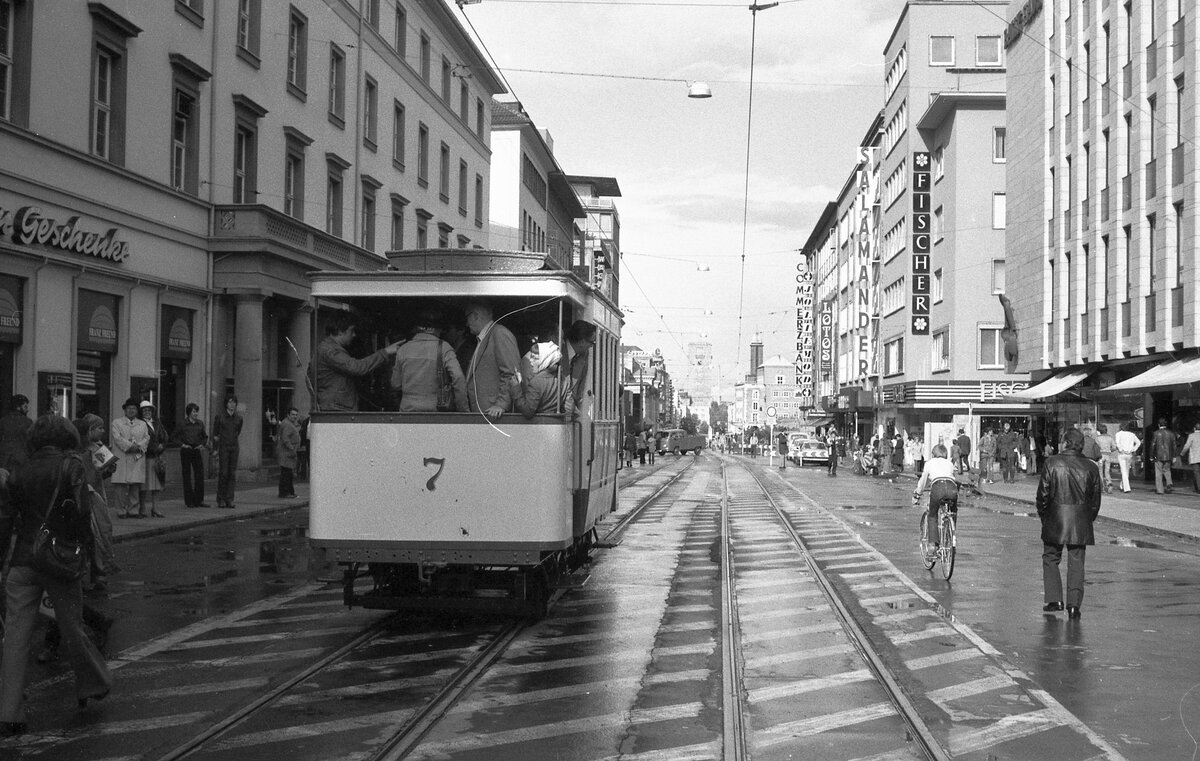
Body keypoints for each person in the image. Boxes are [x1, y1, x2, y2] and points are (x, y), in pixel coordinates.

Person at [0, 415, 113, 737]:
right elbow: (81, 514)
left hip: (22, 562)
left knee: (15, 639)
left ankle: (9, 712)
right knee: (71, 627)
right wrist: (87, 556)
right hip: (59, 560)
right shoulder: (71, 466)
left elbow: (6, 520)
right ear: (67, 437)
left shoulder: (18, 471)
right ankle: (92, 684)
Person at [1036, 428, 1102, 620]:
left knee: (1050, 557)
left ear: (1065, 443)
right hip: (1080, 520)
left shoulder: (1052, 462)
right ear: (1081, 445)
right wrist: (1088, 518)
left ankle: (1055, 599)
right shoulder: (1091, 467)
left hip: (1055, 517)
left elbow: (1042, 496)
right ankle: (1074, 606)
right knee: (1076, 562)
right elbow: (1095, 501)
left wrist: (1044, 516)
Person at [313, 313, 402, 412]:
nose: (354, 335)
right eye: (351, 331)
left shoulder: (325, 348)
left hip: (333, 406)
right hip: (336, 408)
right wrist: (385, 352)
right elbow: (357, 367)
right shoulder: (330, 351)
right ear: (340, 331)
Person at [389, 311, 468, 412]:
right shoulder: (444, 348)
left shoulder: (403, 349)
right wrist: (463, 410)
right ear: (439, 329)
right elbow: (458, 377)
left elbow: (395, 384)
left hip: (407, 411)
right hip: (436, 412)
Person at [73, 414, 118, 591]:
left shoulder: (98, 448)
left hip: (96, 496)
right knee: (90, 536)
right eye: (99, 428)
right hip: (86, 497)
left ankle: (99, 574)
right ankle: (88, 575)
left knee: (99, 536)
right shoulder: (82, 451)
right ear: (88, 431)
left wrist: (108, 470)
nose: (103, 431)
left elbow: (100, 474)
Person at [463, 301, 519, 419]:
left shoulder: (500, 333)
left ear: (475, 316)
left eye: (467, 317)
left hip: (494, 415)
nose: (467, 324)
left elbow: (512, 372)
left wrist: (501, 404)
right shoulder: (487, 336)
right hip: (487, 413)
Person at [913, 443, 959, 553]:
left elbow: (924, 480)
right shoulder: (949, 463)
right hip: (952, 488)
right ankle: (950, 534)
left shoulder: (929, 463)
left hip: (938, 487)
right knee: (953, 511)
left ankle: (933, 546)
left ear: (934, 454)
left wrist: (918, 493)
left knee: (932, 515)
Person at [109, 397, 149, 519]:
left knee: (135, 486)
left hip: (136, 457)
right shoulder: (117, 423)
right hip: (122, 456)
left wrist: (139, 447)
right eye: (129, 408)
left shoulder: (142, 424)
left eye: (134, 408)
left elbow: (146, 438)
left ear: (137, 411)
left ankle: (133, 510)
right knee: (120, 486)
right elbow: (117, 438)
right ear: (125, 410)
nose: (131, 410)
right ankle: (121, 511)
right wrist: (130, 446)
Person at [511, 341, 563, 418]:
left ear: (545, 360)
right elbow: (569, 408)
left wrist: (516, 389)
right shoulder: (563, 381)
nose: (531, 362)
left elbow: (528, 411)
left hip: (539, 425)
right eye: (531, 357)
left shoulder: (536, 382)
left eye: (535, 358)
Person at [212, 395, 244, 509]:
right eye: (229, 402)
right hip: (224, 447)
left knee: (232, 474)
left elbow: (238, 431)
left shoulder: (239, 418)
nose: (232, 404)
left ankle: (229, 499)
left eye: (234, 402)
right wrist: (215, 449)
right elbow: (215, 435)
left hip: (234, 447)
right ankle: (221, 498)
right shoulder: (220, 417)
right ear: (226, 404)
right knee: (224, 473)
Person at [174, 402, 209, 508]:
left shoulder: (200, 423)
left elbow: (204, 436)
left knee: (199, 474)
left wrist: (202, 444)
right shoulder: (183, 423)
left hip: (196, 449)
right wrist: (182, 445)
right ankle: (189, 501)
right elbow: (174, 436)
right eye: (194, 411)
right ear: (189, 412)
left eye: (197, 411)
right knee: (187, 475)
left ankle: (199, 500)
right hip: (186, 449)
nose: (196, 414)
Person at [138, 401, 168, 518]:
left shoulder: (157, 423)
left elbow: (165, 436)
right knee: (143, 486)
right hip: (145, 457)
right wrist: (155, 447)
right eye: (144, 410)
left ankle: (155, 508)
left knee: (157, 485)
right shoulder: (140, 424)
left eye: (149, 410)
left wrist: (162, 445)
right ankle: (142, 508)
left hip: (157, 457)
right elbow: (142, 440)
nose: (147, 412)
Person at [564, 320, 597, 418]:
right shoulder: (557, 353)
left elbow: (580, 388)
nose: (591, 346)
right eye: (592, 342)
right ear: (582, 341)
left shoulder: (583, 355)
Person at [0, 393, 32, 472]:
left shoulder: (2, 421)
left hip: (3, 461)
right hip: (21, 461)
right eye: (25, 406)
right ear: (18, 407)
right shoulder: (28, 422)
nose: (27, 409)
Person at [276, 407, 301, 498]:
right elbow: (285, 438)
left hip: (288, 453)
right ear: (288, 415)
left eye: (296, 415)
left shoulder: (289, 423)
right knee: (286, 474)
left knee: (288, 473)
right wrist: (291, 448)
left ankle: (290, 491)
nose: (295, 416)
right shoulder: (287, 424)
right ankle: (284, 492)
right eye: (293, 414)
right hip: (286, 453)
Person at [1150, 417, 1178, 494]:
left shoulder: (1156, 433)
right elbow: (1174, 445)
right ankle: (1169, 483)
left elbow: (1153, 445)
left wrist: (1151, 456)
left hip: (1158, 456)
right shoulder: (1171, 433)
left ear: (1159, 425)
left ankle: (1160, 490)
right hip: (1169, 455)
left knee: (1158, 473)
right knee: (1167, 470)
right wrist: (1175, 456)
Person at [1114, 422, 1142, 493]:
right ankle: (1123, 485)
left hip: (1122, 454)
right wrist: (1133, 449)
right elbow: (1138, 442)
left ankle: (1126, 487)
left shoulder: (1118, 434)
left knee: (1124, 471)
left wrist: (1121, 449)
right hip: (1129, 454)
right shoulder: (1132, 434)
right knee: (1126, 470)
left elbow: (1117, 443)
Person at [1094, 424, 1116, 495]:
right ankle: (1109, 484)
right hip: (1108, 455)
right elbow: (1114, 447)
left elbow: (1096, 447)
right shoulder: (1110, 438)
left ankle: (1101, 486)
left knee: (1100, 471)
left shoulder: (1098, 438)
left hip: (1101, 455)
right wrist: (1110, 450)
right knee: (1107, 471)